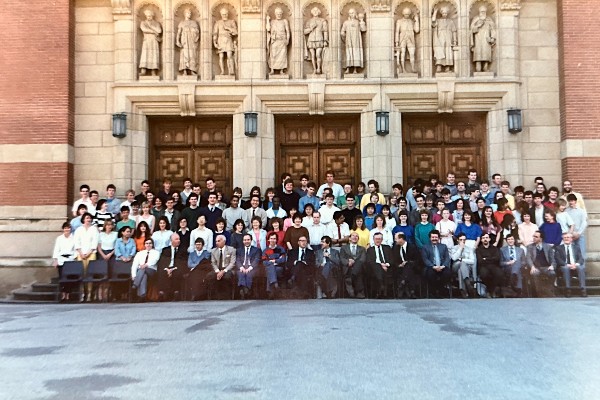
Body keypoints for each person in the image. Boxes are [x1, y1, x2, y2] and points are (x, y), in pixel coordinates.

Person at [74, 213, 99, 302]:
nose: (88, 220)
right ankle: (82, 294)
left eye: (89, 218)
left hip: (91, 253)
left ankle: (89, 294)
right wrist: (81, 253)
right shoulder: (79, 230)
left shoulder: (94, 229)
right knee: (82, 274)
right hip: (80, 254)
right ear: (83, 219)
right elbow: (77, 242)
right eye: (87, 218)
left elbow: (95, 242)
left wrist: (89, 253)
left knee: (90, 274)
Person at [554, 232, 586, 297]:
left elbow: (581, 259)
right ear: (562, 239)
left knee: (581, 268)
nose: (566, 239)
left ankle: (583, 289)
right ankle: (568, 289)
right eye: (564, 238)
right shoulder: (558, 248)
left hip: (575, 265)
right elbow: (558, 259)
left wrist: (576, 264)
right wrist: (567, 264)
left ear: (571, 239)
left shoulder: (576, 247)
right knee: (566, 268)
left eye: (568, 237)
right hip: (564, 266)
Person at [421, 230, 451, 297]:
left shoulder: (444, 246)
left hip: (442, 267)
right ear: (430, 238)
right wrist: (433, 266)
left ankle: (441, 290)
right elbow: (425, 259)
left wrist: (443, 266)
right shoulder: (425, 247)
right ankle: (433, 291)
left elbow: (447, 258)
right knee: (430, 273)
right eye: (433, 237)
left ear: (438, 238)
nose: (434, 239)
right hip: (431, 267)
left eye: (436, 237)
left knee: (447, 273)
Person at [526, 231, 556, 297]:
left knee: (552, 273)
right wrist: (532, 267)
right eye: (533, 236)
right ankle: (538, 294)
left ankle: (549, 291)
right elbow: (528, 258)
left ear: (541, 239)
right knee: (535, 273)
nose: (534, 238)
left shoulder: (548, 247)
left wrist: (552, 266)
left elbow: (553, 259)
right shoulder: (529, 247)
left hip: (546, 267)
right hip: (536, 267)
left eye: (536, 237)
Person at [156, 233, 186, 301]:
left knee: (177, 273)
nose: (178, 241)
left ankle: (176, 293)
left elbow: (183, 263)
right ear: (171, 241)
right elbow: (162, 262)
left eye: (179, 239)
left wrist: (173, 269)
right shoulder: (165, 250)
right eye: (176, 239)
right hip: (167, 267)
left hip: (177, 267)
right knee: (162, 273)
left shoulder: (183, 250)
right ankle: (162, 293)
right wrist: (167, 269)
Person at [52, 222, 76, 302]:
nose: (67, 230)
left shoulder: (74, 238)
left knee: (69, 279)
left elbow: (76, 249)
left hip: (70, 259)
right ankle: (63, 295)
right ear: (63, 229)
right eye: (65, 228)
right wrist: (55, 260)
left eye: (68, 228)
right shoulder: (59, 238)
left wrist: (74, 258)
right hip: (61, 259)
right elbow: (56, 249)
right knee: (62, 278)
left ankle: (68, 295)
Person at [392, 232, 420, 299]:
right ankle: (411, 291)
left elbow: (417, 260)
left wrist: (407, 262)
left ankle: (402, 285)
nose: (395, 240)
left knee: (408, 267)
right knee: (407, 271)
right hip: (400, 268)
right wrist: (399, 265)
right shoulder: (395, 248)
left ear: (401, 239)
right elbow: (393, 260)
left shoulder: (412, 247)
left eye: (396, 239)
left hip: (412, 267)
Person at [339, 231, 367, 298]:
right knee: (354, 272)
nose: (355, 237)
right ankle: (358, 292)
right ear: (349, 238)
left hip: (359, 267)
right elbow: (342, 258)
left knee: (357, 269)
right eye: (353, 236)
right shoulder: (343, 248)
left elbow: (363, 259)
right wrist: (348, 262)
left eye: (356, 236)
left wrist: (354, 262)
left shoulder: (362, 249)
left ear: (358, 239)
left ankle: (355, 291)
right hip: (348, 266)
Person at [366, 232, 394, 298]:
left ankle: (381, 289)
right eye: (376, 239)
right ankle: (382, 287)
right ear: (373, 240)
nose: (377, 240)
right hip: (374, 269)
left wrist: (386, 264)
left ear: (382, 240)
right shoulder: (370, 250)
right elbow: (369, 261)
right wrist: (381, 265)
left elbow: (392, 259)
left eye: (379, 239)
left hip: (387, 268)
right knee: (376, 266)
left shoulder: (387, 248)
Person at [469, 5, 496, 72]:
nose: (483, 13)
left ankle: (485, 67)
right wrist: (478, 26)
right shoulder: (476, 19)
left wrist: (492, 38)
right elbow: (472, 30)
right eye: (481, 11)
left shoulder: (489, 19)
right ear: (479, 12)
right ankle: (478, 67)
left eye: (484, 11)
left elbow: (493, 29)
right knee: (478, 52)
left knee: (486, 53)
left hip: (486, 39)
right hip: (478, 39)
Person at [234, 233, 261, 299]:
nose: (246, 241)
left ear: (251, 240)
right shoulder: (239, 250)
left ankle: (244, 289)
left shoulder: (256, 250)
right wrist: (241, 267)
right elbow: (237, 260)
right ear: (243, 241)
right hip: (241, 267)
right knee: (241, 273)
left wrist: (250, 268)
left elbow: (256, 260)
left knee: (249, 274)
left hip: (252, 268)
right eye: (245, 240)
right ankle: (246, 290)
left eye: (248, 240)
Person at [476, 233, 503, 298]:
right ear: (481, 240)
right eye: (483, 238)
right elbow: (480, 261)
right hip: (484, 266)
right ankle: (490, 290)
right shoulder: (478, 249)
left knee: (500, 273)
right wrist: (491, 258)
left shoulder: (494, 248)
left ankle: (491, 290)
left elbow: (497, 258)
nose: (485, 239)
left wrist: (486, 258)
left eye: (486, 238)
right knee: (484, 274)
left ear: (489, 239)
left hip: (493, 266)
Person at [340, 8, 366, 74]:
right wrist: (345, 38)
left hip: (356, 41)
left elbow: (363, 29)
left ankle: (355, 69)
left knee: (356, 53)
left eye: (352, 13)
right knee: (348, 53)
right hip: (349, 41)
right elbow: (342, 32)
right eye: (350, 13)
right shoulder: (346, 22)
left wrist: (362, 21)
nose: (351, 14)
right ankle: (348, 69)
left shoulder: (358, 22)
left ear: (355, 14)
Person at [213, 7, 237, 76]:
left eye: (226, 14)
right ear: (221, 14)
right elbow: (215, 33)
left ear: (227, 14)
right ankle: (222, 71)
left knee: (229, 55)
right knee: (221, 56)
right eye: (223, 14)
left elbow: (236, 32)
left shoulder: (231, 22)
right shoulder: (218, 23)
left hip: (228, 39)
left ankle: (231, 71)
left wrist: (228, 28)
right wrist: (215, 42)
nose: (224, 15)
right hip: (220, 39)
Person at [431, 6, 457, 73]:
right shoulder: (438, 20)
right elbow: (433, 22)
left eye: (446, 13)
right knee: (439, 51)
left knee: (448, 51)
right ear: (441, 13)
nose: (445, 14)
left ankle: (447, 67)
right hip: (440, 37)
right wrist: (435, 12)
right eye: (443, 13)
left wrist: (454, 40)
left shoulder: (450, 21)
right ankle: (439, 66)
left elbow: (454, 30)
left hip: (448, 37)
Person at [262, 232, 287, 298]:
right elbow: (264, 262)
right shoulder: (265, 250)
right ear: (268, 240)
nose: (272, 240)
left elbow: (283, 259)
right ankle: (275, 284)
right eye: (271, 238)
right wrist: (275, 262)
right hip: (270, 268)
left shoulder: (281, 249)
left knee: (270, 269)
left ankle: (270, 290)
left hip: (279, 268)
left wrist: (274, 261)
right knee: (270, 268)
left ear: (276, 240)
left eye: (274, 239)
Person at [304, 6, 329, 75]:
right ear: (312, 12)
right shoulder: (309, 21)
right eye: (314, 11)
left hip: (319, 39)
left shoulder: (322, 20)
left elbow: (325, 31)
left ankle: (319, 68)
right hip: (311, 39)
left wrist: (325, 40)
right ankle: (314, 69)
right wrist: (311, 28)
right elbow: (304, 32)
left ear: (319, 12)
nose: (315, 12)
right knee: (312, 55)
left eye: (316, 11)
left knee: (318, 54)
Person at [395, 7, 420, 74]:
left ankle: (413, 68)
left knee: (412, 53)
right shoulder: (399, 21)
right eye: (406, 14)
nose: (407, 15)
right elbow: (397, 31)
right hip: (402, 38)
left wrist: (416, 20)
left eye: (408, 14)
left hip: (411, 39)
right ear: (403, 14)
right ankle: (403, 69)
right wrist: (396, 41)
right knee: (402, 54)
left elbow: (417, 30)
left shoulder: (411, 21)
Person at [266, 7, 290, 75]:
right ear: (275, 14)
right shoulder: (272, 21)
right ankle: (272, 69)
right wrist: (267, 20)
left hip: (282, 41)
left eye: (280, 13)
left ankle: (281, 70)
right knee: (273, 55)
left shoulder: (284, 21)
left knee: (282, 55)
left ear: (282, 14)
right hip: (275, 40)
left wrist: (288, 39)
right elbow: (268, 29)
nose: (279, 15)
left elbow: (288, 31)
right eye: (277, 14)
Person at [176, 8, 200, 76]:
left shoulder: (194, 23)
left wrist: (196, 36)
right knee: (184, 55)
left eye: (190, 13)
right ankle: (185, 71)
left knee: (192, 55)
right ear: (185, 14)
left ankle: (192, 70)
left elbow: (197, 32)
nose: (189, 14)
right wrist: (177, 41)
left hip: (192, 41)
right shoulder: (182, 23)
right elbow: (179, 33)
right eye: (188, 13)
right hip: (184, 41)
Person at [139, 9, 162, 76]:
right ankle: (143, 70)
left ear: (152, 16)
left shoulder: (156, 23)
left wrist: (151, 27)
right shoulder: (143, 22)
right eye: (147, 16)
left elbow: (159, 31)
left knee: (154, 55)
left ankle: (153, 71)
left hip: (154, 40)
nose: (149, 17)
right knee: (145, 54)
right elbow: (144, 29)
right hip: (147, 40)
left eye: (150, 16)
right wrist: (154, 31)